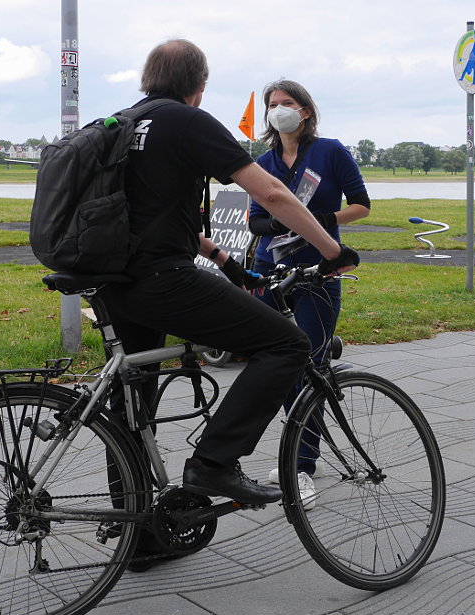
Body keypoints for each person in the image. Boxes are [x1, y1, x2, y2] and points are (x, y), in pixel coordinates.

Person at [99, 40, 358, 567]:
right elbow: (273, 196)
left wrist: (226, 261)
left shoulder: (125, 122)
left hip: (114, 281)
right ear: (199, 85)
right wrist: (334, 250)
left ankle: (139, 535)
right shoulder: (188, 121)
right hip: (162, 278)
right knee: (288, 343)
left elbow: (158, 214)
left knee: (133, 402)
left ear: (151, 78)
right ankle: (214, 463)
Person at [248, 79, 370, 509]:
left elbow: (362, 204)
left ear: (305, 110)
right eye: (272, 105)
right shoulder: (263, 162)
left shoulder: (330, 152)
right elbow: (255, 222)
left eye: (287, 103)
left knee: (310, 367)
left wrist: (320, 217)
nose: (279, 110)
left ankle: (301, 465)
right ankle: (298, 446)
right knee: (276, 360)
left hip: (319, 267)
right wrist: (278, 224)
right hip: (270, 269)